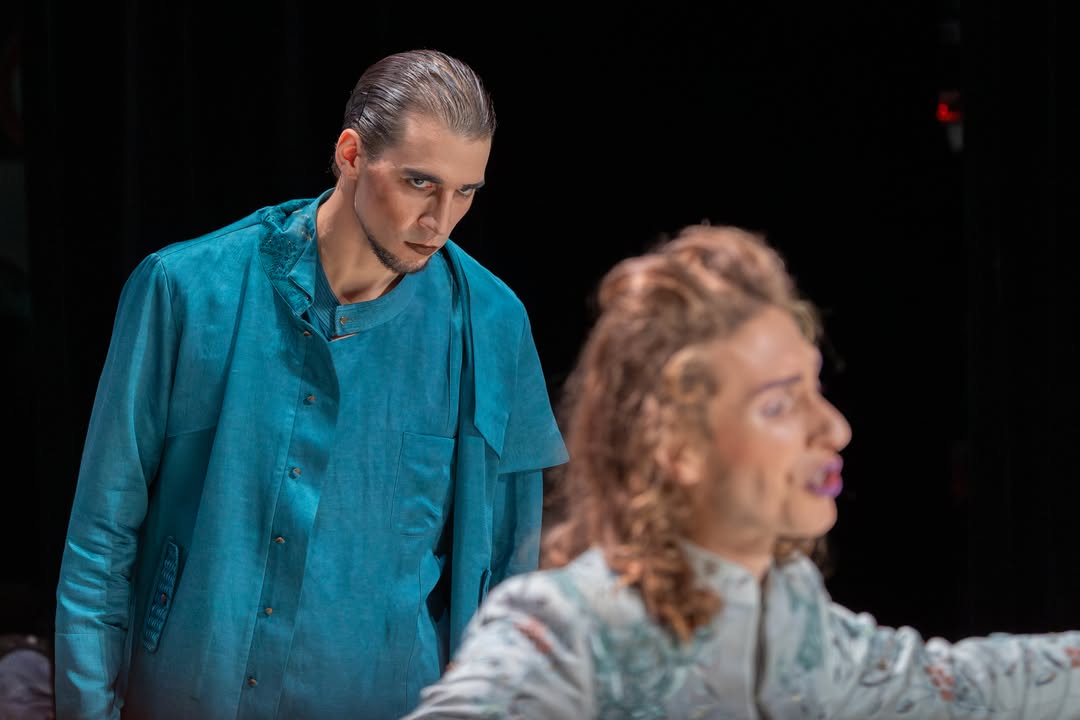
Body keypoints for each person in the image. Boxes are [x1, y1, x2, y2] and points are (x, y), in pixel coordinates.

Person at [53, 48, 567, 719]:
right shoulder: (187, 291)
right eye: (419, 183)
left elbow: (509, 575)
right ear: (351, 154)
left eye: (466, 192)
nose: (440, 222)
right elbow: (101, 538)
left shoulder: (491, 326)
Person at [404, 225, 1080, 719]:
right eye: (780, 404)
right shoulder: (563, 635)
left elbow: (966, 685)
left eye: (816, 388)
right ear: (677, 446)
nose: (834, 429)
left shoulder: (792, 615)